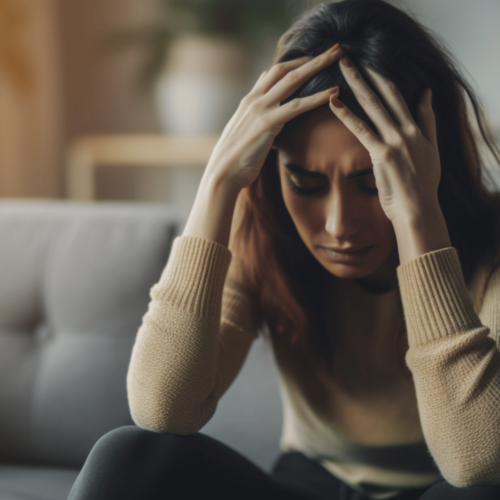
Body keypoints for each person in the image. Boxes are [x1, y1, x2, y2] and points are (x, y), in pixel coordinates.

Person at [68, 0, 500, 499]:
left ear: (430, 161)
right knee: (128, 456)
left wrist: (418, 218)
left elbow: (476, 459)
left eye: (373, 183)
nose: (339, 226)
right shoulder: (264, 234)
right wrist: (220, 179)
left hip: (437, 490)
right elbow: (162, 409)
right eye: (306, 183)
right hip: (305, 486)